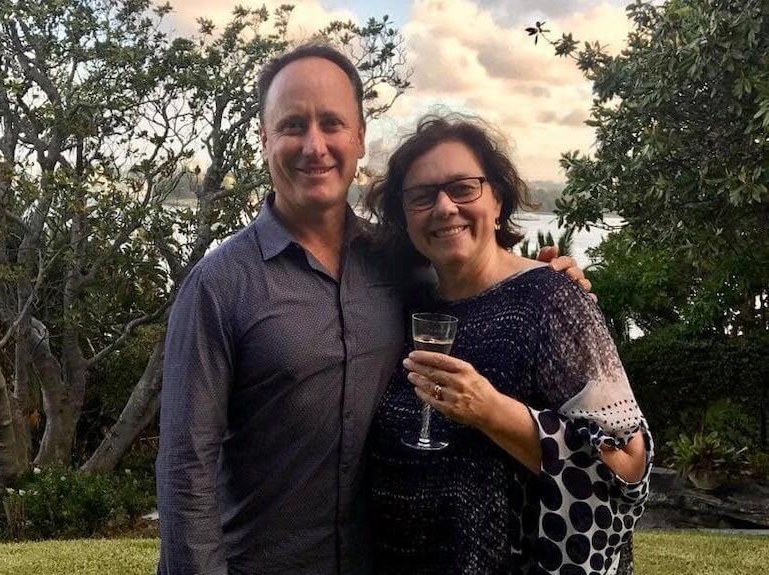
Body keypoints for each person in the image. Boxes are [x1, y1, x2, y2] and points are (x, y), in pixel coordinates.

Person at [156, 43, 589, 575]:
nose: (315, 146)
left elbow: (474, 277)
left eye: (332, 123)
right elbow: (185, 470)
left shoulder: (401, 265)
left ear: (359, 137)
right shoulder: (218, 287)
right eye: (293, 125)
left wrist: (545, 278)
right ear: (265, 140)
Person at [364, 115, 653, 575]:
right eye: (421, 196)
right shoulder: (407, 303)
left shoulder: (551, 300)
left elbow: (627, 465)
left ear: (496, 199)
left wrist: (488, 410)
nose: (444, 207)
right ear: (404, 216)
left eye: (463, 188)